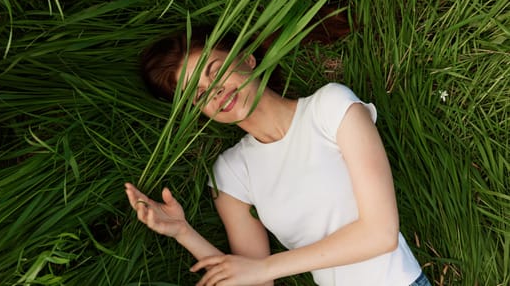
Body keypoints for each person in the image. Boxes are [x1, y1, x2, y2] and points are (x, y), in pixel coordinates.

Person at [124, 26, 431, 286]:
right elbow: (253, 280)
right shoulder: (231, 172)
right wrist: (183, 232)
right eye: (200, 94)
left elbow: (380, 233)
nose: (215, 92)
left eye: (216, 72)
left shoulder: (329, 107)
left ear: (247, 58)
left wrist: (266, 267)